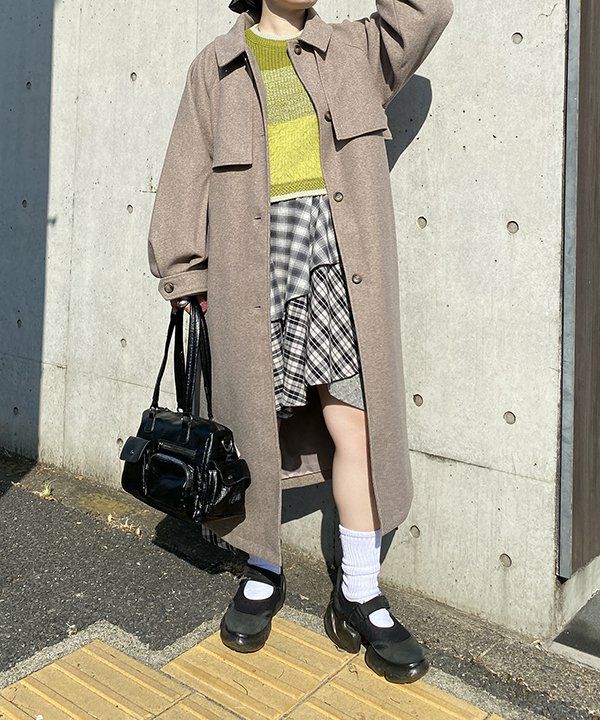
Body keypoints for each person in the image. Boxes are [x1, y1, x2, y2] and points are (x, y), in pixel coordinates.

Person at [148, 0, 453, 684]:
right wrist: (184, 272)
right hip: (252, 265)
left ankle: (360, 592)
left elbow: (429, 10)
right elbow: (185, 173)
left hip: (342, 262)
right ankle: (262, 568)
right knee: (253, 428)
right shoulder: (216, 68)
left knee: (355, 423)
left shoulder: (357, 49)